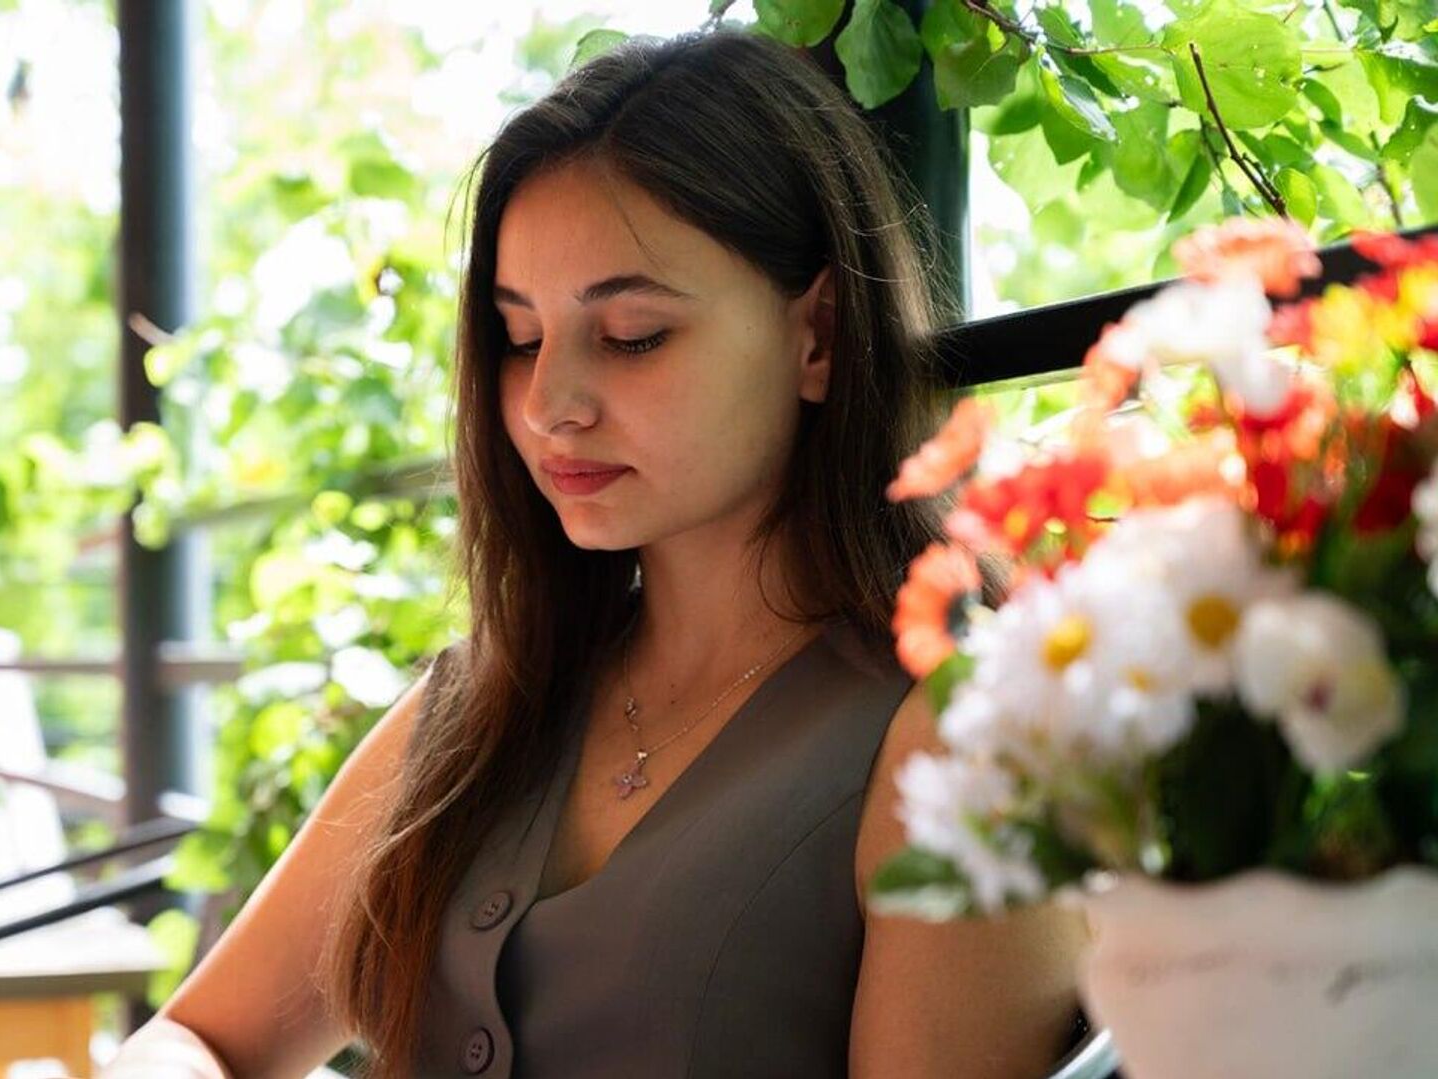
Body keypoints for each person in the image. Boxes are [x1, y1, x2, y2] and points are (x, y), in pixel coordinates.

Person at [103, 26, 1085, 1079]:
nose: (548, 403)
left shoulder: (961, 735)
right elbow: (198, 1035)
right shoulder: (485, 704)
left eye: (630, 335)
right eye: (521, 337)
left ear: (820, 336)